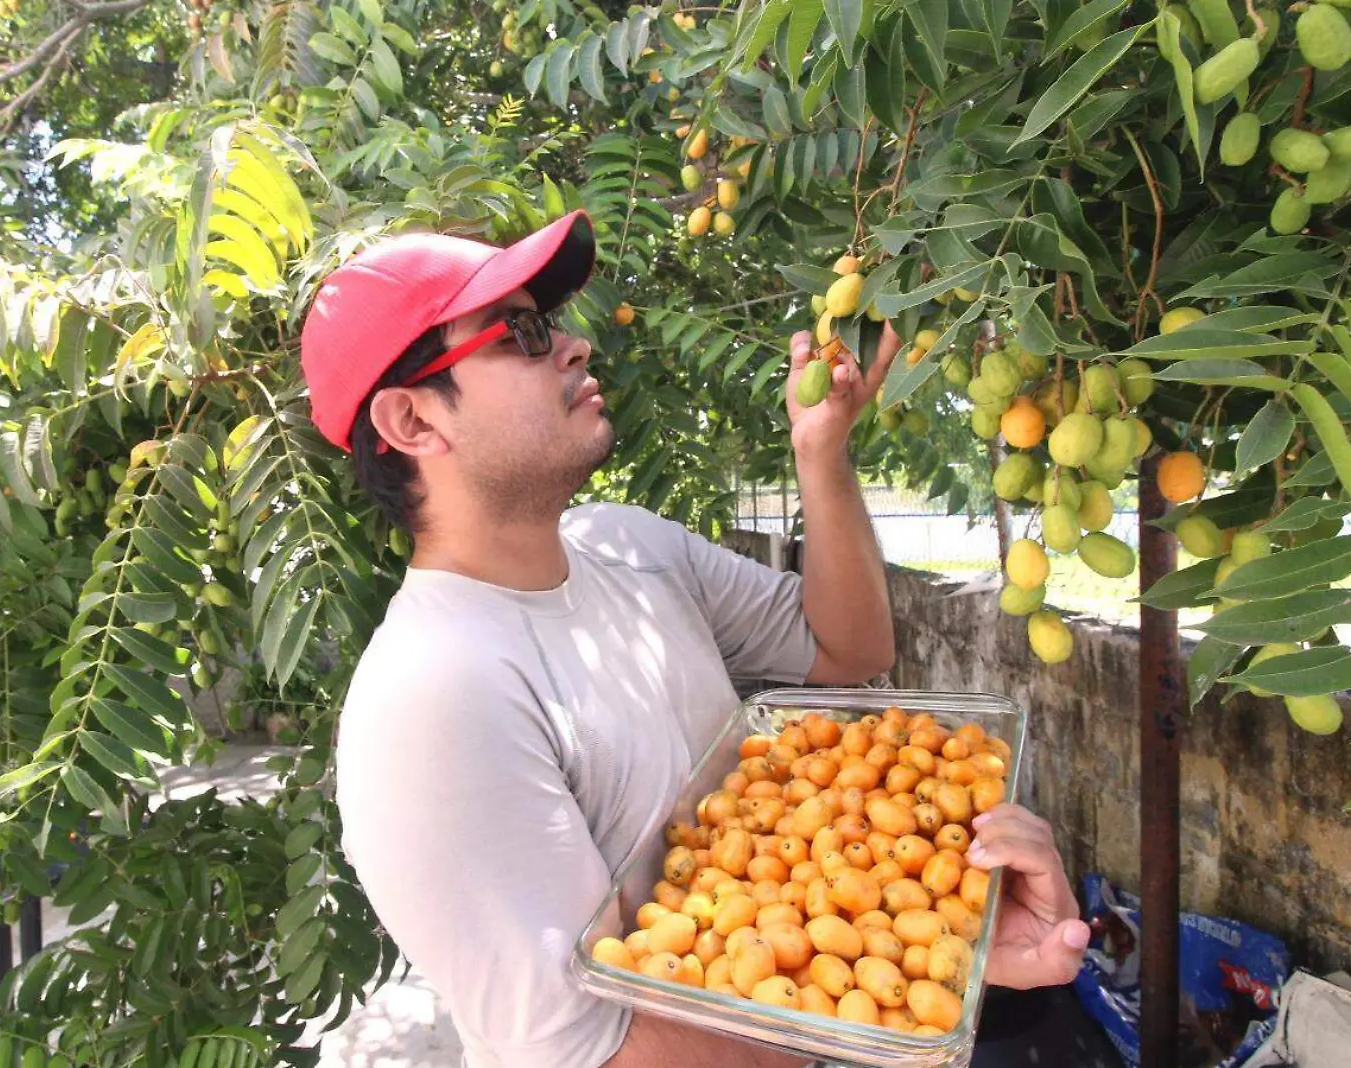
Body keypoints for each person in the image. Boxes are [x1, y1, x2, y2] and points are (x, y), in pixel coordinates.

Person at [300, 211, 1091, 1068]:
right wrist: (876, 1002)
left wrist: (820, 453)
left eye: (554, 323)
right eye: (522, 333)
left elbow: (848, 651)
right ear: (413, 423)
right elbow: (595, 1052)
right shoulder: (434, 696)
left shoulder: (627, 546)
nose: (573, 347)